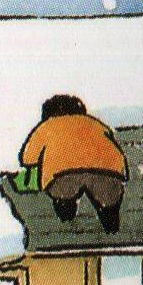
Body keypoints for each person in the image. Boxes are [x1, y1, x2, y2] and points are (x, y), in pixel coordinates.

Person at [17, 92, 129, 232]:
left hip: (63, 174)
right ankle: (111, 225)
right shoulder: (94, 123)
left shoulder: (47, 126)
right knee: (109, 204)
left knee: (64, 199)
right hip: (108, 171)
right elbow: (110, 140)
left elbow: (27, 158)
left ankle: (67, 219)